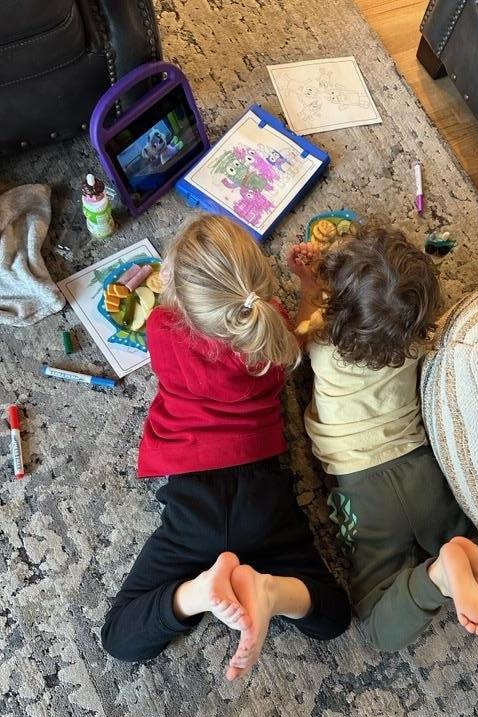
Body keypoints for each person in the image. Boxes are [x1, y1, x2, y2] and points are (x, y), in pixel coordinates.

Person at [101, 214, 351, 679]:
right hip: (265, 499)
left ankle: (195, 594)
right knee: (333, 614)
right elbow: (294, 344)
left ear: (178, 295)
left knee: (119, 637)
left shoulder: (161, 326)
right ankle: (271, 592)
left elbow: (117, 641)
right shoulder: (270, 326)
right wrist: (308, 289)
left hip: (193, 506)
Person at [289, 225, 478, 651]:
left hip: (363, 486)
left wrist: (308, 285)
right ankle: (469, 558)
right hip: (424, 468)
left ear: (335, 309)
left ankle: (438, 578)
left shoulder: (321, 341)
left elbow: (302, 329)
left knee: (375, 625)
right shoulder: (417, 344)